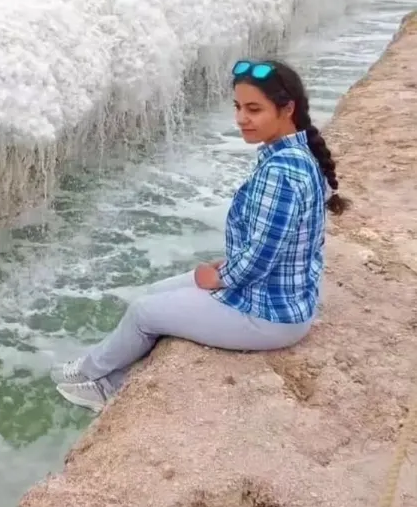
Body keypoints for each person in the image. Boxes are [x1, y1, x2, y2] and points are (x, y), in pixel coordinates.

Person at [51, 58, 349, 412]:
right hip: (280, 296)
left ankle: (94, 379)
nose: (241, 118)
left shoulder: (281, 172)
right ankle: (105, 373)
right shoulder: (295, 156)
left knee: (144, 311)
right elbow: (278, 242)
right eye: (238, 107)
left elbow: (261, 260)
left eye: (254, 109)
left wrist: (221, 276)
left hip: (269, 314)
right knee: (154, 293)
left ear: (287, 109)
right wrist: (227, 266)